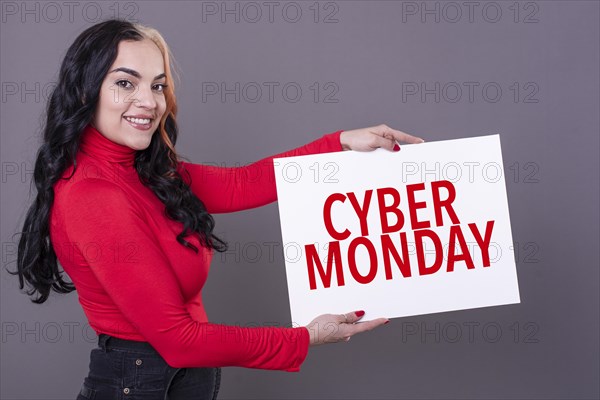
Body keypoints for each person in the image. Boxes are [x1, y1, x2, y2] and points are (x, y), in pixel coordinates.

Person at [10, 19, 424, 399]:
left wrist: (342, 144)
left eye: (157, 86)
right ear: (85, 90)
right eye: (125, 83)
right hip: (140, 382)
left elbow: (244, 183)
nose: (149, 102)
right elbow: (179, 340)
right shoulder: (92, 195)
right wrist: (306, 337)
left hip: (172, 379)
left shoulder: (147, 172)